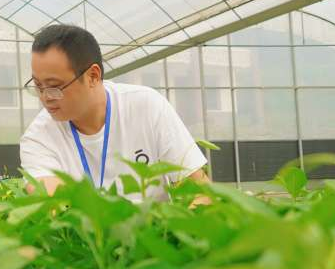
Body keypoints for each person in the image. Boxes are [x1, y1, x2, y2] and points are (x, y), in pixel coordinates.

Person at [19, 24, 209, 203]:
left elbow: (200, 191)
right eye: (37, 85)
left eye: (54, 86)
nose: (45, 97)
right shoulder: (38, 138)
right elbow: (55, 208)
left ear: (93, 76)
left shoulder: (146, 106)